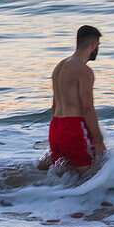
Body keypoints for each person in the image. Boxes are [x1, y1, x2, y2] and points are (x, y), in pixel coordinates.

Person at [46, 25, 106, 170]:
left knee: (62, 177)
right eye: (98, 46)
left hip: (55, 127)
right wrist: (98, 141)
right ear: (94, 45)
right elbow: (87, 108)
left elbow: (54, 104)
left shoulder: (59, 67)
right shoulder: (84, 71)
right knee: (89, 175)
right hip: (73, 128)